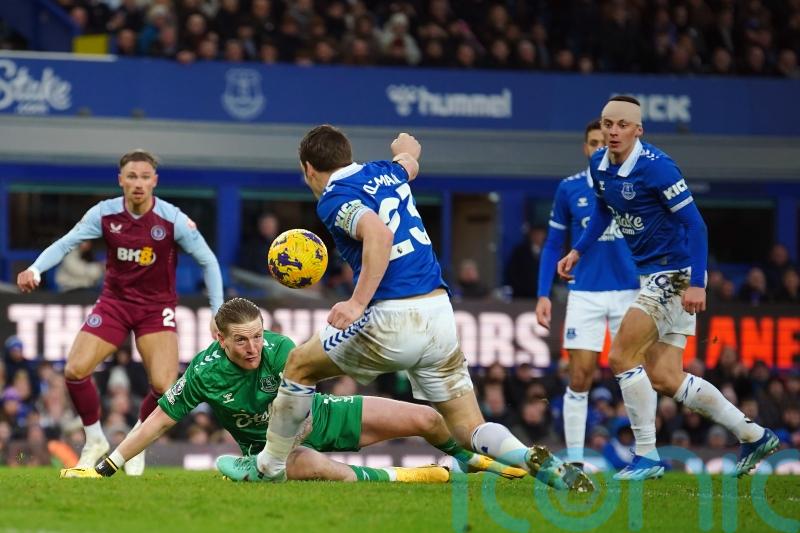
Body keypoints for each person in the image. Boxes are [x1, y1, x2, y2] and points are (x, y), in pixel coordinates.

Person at [253, 125, 593, 491]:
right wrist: (405, 151)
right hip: (438, 313)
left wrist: (356, 303)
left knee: (299, 365)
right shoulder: (386, 171)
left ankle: (270, 464)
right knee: (468, 429)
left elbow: (379, 234)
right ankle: (530, 457)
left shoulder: (334, 197)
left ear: (307, 168)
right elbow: (408, 165)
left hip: (393, 316)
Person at [60, 298, 527, 483]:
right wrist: (108, 466)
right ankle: (425, 477)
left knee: (427, 418)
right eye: (241, 340)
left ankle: (471, 461)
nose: (252, 348)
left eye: (257, 336)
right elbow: (157, 421)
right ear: (219, 339)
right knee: (334, 475)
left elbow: (307, 392)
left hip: (321, 415)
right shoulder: (203, 372)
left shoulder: (281, 349)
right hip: (274, 451)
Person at [557, 96, 778, 480]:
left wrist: (697, 283)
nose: (613, 131)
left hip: (674, 274)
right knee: (665, 377)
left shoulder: (657, 168)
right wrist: (577, 250)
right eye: (608, 124)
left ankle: (647, 455)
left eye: (622, 124)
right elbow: (604, 210)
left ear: (638, 130)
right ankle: (753, 434)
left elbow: (696, 225)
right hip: (651, 275)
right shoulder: (600, 164)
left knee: (621, 356)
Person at [17, 149, 224, 476]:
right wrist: (35, 268)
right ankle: (94, 440)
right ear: (121, 180)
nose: (138, 183)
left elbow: (208, 260)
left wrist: (217, 311)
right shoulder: (104, 214)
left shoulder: (172, 219)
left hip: (156, 308)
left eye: (145, 177)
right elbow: (66, 243)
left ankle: (135, 442)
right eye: (132, 176)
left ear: (154, 181)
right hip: (115, 303)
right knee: (75, 370)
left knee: (164, 385)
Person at [536, 119, 643, 470]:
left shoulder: (634, 184)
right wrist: (543, 294)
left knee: (634, 375)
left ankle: (646, 455)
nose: (600, 147)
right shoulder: (569, 188)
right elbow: (553, 243)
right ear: (586, 147)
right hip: (585, 293)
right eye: (594, 142)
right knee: (579, 376)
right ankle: (576, 462)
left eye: (605, 142)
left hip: (630, 291)